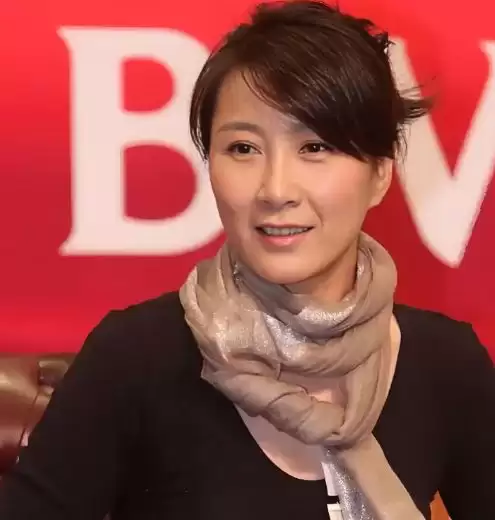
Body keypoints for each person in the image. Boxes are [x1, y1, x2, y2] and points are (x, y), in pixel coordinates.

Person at [0, 2, 494, 519]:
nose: (276, 190)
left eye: (315, 147)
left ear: (380, 174)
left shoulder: (446, 364)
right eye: (242, 148)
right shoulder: (135, 358)